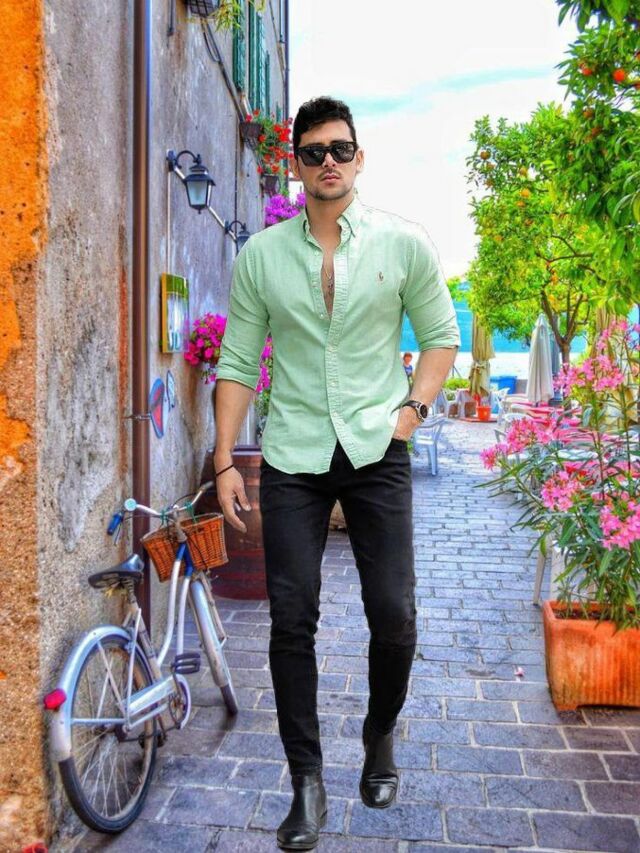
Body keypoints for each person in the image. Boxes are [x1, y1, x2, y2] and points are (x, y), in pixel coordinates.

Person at [214, 96, 460, 851]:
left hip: (376, 449)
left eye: (340, 149)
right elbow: (237, 361)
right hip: (293, 453)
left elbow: (441, 337)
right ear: (296, 164)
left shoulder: (402, 244)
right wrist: (223, 459)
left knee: (396, 614)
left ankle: (379, 731)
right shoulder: (262, 257)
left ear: (359, 157)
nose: (329, 161)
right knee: (292, 620)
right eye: (314, 151)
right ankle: (307, 781)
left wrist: (412, 411)